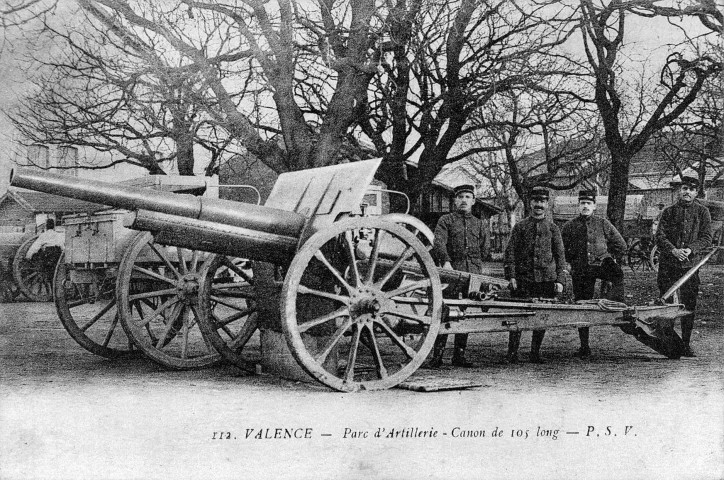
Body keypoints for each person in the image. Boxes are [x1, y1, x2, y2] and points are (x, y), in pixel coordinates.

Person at [561, 190, 627, 358]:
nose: (585, 206)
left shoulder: (603, 223)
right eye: (582, 203)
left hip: (601, 264)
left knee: (618, 274)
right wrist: (569, 264)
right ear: (578, 205)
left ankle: (615, 303)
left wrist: (608, 256)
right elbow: (561, 250)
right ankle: (584, 346)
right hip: (581, 269)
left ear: (594, 206)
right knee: (582, 303)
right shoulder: (569, 226)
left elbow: (621, 245)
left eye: (588, 203)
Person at [429, 184, 490, 367]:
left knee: (464, 314)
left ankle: (459, 356)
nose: (464, 200)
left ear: (473, 201)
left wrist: (477, 268)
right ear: (455, 200)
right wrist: (446, 261)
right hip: (452, 273)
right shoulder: (446, 220)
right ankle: (437, 357)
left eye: (467, 197)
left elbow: (485, 249)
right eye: (460, 196)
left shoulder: (479, 224)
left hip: (472, 275)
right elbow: (438, 242)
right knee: (445, 312)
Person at [503, 186, 565, 363]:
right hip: (524, 280)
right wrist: (512, 276)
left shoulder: (553, 229)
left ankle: (535, 352)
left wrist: (560, 280)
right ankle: (512, 352)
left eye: (542, 201)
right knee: (517, 316)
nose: (539, 204)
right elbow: (510, 253)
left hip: (546, 280)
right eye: (536, 201)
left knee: (542, 317)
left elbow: (560, 257)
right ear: (530, 203)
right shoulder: (520, 227)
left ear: (547, 204)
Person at [655, 175, 712, 357]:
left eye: (691, 189)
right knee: (666, 304)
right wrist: (673, 251)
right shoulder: (668, 212)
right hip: (668, 265)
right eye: (684, 188)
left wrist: (689, 250)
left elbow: (706, 238)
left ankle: (686, 344)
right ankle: (669, 344)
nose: (687, 192)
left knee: (689, 305)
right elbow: (660, 236)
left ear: (696, 192)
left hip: (690, 267)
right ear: (680, 191)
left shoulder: (703, 212)